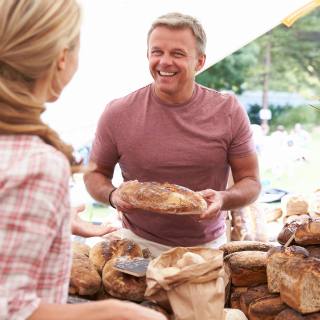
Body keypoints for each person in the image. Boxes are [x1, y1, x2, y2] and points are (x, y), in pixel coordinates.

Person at [0, 1, 166, 320]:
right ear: (62, 57)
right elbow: (10, 308)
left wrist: (53, 220)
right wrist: (116, 312)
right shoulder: (37, 162)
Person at [84, 12, 261, 258]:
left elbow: (251, 181)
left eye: (177, 53)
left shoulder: (228, 110)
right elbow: (95, 174)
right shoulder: (118, 112)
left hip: (206, 249)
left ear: (200, 62)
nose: (164, 62)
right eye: (157, 52)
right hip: (138, 247)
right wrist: (113, 195)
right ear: (148, 55)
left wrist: (223, 198)